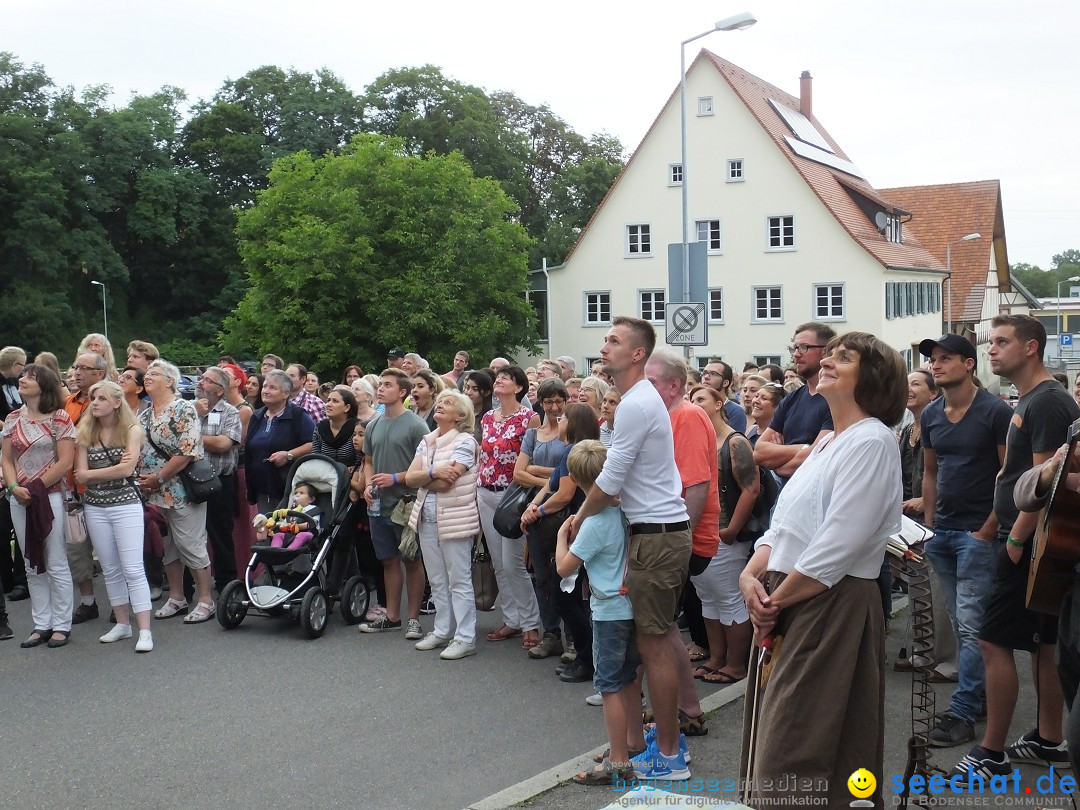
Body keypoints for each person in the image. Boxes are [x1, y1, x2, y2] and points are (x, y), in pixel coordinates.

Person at [738, 331, 906, 807]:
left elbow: (838, 543)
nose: (828, 361)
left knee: (796, 747)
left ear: (871, 379)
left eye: (843, 358)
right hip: (788, 594)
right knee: (777, 736)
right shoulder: (829, 440)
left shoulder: (872, 441)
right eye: (829, 354)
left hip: (828, 602)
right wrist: (750, 575)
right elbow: (787, 524)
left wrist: (774, 599)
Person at [952, 315, 1080, 778]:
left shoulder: (1047, 402)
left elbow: (1048, 482)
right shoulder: (1033, 399)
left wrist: (1015, 539)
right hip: (1026, 542)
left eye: (1002, 342)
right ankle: (1048, 738)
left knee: (991, 640)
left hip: (1028, 544)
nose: (991, 349)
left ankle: (992, 752)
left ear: (1031, 347)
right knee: (1043, 643)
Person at [569, 316, 692, 780]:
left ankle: (669, 755)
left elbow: (609, 480)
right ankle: (659, 745)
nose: (604, 346)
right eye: (604, 338)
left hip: (657, 537)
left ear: (637, 354)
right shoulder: (637, 401)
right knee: (650, 644)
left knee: (654, 645)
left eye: (614, 341)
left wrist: (579, 519)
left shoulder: (638, 404)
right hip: (653, 533)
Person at [917, 334, 1012, 748]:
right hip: (943, 534)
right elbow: (931, 472)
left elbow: (1009, 475)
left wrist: (989, 527)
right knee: (961, 623)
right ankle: (980, 694)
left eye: (945, 359)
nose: (936, 366)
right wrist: (929, 525)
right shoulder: (932, 413)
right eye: (934, 360)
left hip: (979, 533)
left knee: (973, 625)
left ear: (969, 364)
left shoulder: (994, 411)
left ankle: (963, 711)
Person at [560, 440, 644, 786]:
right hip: (633, 602)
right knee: (629, 677)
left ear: (575, 478)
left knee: (609, 684)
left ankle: (618, 760)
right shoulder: (626, 509)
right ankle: (634, 741)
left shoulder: (593, 523)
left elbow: (565, 567)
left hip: (608, 608)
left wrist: (562, 535)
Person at [643, 350, 713, 725]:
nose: (644, 387)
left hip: (680, 538)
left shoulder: (686, 415)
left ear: (674, 385)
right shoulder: (666, 416)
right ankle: (685, 708)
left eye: (651, 381)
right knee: (663, 628)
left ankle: (684, 710)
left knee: (657, 628)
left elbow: (697, 486)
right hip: (671, 536)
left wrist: (679, 541)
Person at [521, 403, 600, 681]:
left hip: (574, 529)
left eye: (564, 416)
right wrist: (534, 503)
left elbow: (565, 494)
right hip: (578, 527)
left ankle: (587, 658)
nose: (558, 419)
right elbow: (551, 483)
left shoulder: (575, 451)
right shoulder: (572, 450)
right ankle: (585, 655)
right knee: (573, 596)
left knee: (567, 594)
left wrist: (537, 513)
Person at [73, 381, 153, 652]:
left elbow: (126, 470)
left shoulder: (131, 429)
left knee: (132, 567)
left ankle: (145, 630)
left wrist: (93, 475)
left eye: (101, 398)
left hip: (125, 504)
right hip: (95, 506)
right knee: (110, 568)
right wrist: (112, 469)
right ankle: (122, 624)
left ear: (116, 402)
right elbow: (79, 473)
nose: (95, 402)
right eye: (93, 398)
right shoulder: (85, 432)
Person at [2, 363, 76, 648]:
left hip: (51, 496)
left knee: (55, 560)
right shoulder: (12, 418)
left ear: (44, 385)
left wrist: (34, 488)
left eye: (30, 377)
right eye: (22, 375)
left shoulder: (59, 418)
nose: (22, 379)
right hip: (19, 497)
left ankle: (62, 624)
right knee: (32, 562)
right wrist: (13, 488)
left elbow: (65, 462)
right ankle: (41, 623)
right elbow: (6, 459)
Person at [137, 360, 217, 624]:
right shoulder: (145, 414)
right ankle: (177, 597)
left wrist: (159, 477)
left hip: (181, 488)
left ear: (170, 381)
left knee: (191, 543)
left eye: (154, 374)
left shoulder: (183, 409)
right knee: (169, 546)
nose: (147, 377)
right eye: (146, 374)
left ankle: (206, 600)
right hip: (155, 492)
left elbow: (186, 452)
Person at [688, 384, 759, 684]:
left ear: (719, 404)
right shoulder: (698, 442)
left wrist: (731, 530)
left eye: (701, 399)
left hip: (724, 534)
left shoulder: (734, 441)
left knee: (729, 598)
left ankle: (736, 664)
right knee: (708, 598)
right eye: (692, 400)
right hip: (700, 533)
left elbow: (751, 488)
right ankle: (717, 658)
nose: (695, 404)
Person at [404, 390, 480, 660]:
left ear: (460, 415)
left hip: (456, 517)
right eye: (440, 402)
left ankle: (465, 637)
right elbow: (411, 478)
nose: (440, 405)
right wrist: (434, 472)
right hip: (427, 516)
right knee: (437, 579)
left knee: (459, 580)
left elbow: (448, 482)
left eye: (447, 403)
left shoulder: (465, 442)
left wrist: (424, 477)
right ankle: (442, 630)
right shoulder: (427, 440)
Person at [358, 368, 430, 639]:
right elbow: (369, 461)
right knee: (388, 560)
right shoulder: (374, 424)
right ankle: (392, 616)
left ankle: (413, 618)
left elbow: (424, 466)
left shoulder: (416, 425)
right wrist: (367, 484)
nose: (381, 388)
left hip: (406, 503)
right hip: (378, 505)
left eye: (388, 385)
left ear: (402, 392)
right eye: (381, 384)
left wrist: (396, 478)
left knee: (411, 559)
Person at [475, 365, 542, 649]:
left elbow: (534, 460)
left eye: (506, 378)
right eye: (498, 377)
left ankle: (531, 623)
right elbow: (483, 456)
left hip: (514, 495)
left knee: (514, 562)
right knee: (499, 563)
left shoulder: (530, 418)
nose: (499, 380)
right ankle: (512, 619)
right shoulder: (488, 417)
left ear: (519, 388)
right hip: (485, 491)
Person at [513, 378, 569, 660]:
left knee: (566, 572)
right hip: (534, 509)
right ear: (541, 403)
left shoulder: (571, 431)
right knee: (541, 575)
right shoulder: (534, 433)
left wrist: (537, 469)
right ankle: (551, 633)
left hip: (564, 508)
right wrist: (551, 473)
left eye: (560, 401)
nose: (555, 407)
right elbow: (518, 473)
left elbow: (573, 468)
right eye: (549, 402)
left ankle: (571, 635)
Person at [753, 323, 836, 482]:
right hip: (785, 499)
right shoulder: (791, 399)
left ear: (826, 352)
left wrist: (780, 458)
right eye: (794, 348)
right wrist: (804, 448)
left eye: (804, 347)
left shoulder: (834, 400)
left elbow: (818, 458)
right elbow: (759, 452)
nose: (796, 354)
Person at [193, 366, 243, 593]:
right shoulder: (189, 409)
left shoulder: (230, 412)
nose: (201, 382)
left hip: (219, 482)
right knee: (189, 534)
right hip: (191, 480)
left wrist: (192, 437)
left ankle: (226, 583)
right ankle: (191, 584)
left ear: (220, 390)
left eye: (207, 380)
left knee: (220, 533)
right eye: (201, 378)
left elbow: (224, 444)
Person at [66, 351, 107, 624]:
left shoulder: (108, 401)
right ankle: (88, 602)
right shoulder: (67, 402)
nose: (77, 372)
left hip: (104, 486)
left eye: (84, 367)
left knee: (109, 549)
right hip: (72, 487)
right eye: (75, 367)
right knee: (77, 548)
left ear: (99, 373)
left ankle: (120, 603)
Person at [245, 370, 315, 514]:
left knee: (285, 531)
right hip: (262, 488)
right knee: (267, 528)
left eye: (273, 388)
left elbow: (313, 443)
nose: (266, 391)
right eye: (265, 386)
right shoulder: (257, 416)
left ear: (285, 394)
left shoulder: (298, 416)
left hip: (288, 488)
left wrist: (289, 454)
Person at [0, 346, 28, 607]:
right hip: (7, 448)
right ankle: (9, 579)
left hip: (19, 452)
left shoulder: (14, 386)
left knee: (20, 523)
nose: (23, 371)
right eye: (22, 365)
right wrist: (13, 428)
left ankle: (21, 579)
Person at [254, 483, 322, 550]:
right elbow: (283, 524)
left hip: (308, 533)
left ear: (311, 499)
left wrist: (295, 526)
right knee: (278, 535)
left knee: (302, 535)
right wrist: (276, 525)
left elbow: (313, 523)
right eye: (295, 493)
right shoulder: (291, 511)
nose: (297, 495)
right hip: (291, 534)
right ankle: (275, 551)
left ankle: (289, 551)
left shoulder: (313, 509)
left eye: (301, 493)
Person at [312, 386, 359, 466]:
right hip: (324, 475)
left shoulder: (357, 428)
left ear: (347, 407)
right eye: (328, 400)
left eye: (335, 401)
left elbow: (361, 460)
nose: (328, 405)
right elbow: (315, 457)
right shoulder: (320, 427)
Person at [701, 360, 747, 434]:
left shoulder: (735, 411)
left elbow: (733, 441)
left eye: (713, 374)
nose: (706, 377)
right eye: (704, 373)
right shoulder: (697, 406)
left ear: (725, 383)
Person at [462, 370, 493, 443]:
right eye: (467, 387)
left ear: (487, 392)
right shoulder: (459, 413)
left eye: (475, 389)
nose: (469, 392)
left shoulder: (490, 418)